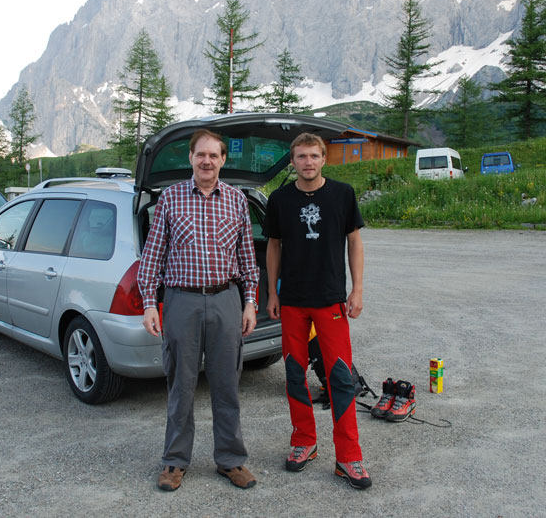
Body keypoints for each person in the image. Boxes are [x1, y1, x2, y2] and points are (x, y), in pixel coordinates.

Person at [137, 128, 261, 493]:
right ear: (190, 158)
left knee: (227, 385)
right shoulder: (170, 199)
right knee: (181, 384)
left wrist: (250, 301)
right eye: (200, 154)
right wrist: (149, 304)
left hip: (226, 299)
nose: (207, 161)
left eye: (214, 155)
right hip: (181, 301)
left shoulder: (237, 201)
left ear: (223, 160)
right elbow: (152, 257)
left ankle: (231, 460)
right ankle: (175, 461)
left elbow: (247, 258)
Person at [263, 132, 372, 490]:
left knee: (340, 376)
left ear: (324, 158)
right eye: (301, 156)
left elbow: (354, 241)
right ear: (292, 161)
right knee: (295, 374)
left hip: (331, 301)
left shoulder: (342, 194)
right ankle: (304, 442)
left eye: (313, 156)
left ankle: (348, 457)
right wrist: (273, 293)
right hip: (292, 300)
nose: (307, 162)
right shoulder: (279, 199)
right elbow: (274, 246)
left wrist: (356, 289)